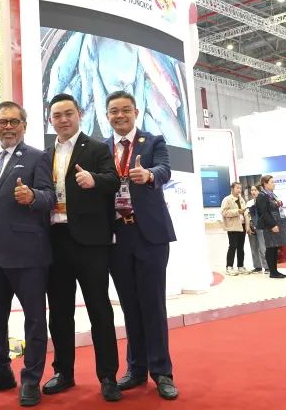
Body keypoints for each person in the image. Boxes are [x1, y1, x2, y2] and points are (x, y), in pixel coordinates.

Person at [0, 102, 55, 407]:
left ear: (24, 126)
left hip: (28, 254)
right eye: (2, 121)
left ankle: (31, 378)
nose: (8, 127)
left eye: (13, 121)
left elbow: (50, 197)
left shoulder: (37, 157)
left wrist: (33, 196)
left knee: (34, 319)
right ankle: (0, 371)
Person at [41, 93, 122, 402]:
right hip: (55, 240)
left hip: (90, 243)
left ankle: (108, 376)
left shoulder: (97, 148)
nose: (63, 120)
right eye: (57, 115)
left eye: (68, 114)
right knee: (59, 311)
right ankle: (63, 372)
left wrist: (94, 180)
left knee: (99, 310)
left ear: (79, 114)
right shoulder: (46, 154)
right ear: (50, 119)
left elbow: (113, 181)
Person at [103, 91, 179, 401]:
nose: (120, 115)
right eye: (114, 111)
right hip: (116, 237)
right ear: (107, 115)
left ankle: (162, 372)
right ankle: (136, 369)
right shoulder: (101, 148)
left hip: (149, 236)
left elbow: (164, 170)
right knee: (130, 306)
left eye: (125, 110)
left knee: (153, 304)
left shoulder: (153, 141)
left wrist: (148, 175)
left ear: (136, 112)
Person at [255, 175, 286, 279]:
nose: (274, 184)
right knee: (270, 247)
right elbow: (264, 213)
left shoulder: (271, 195)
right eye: (272, 182)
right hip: (269, 226)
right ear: (265, 184)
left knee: (275, 247)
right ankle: (273, 272)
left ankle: (275, 271)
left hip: (276, 223)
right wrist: (273, 225)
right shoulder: (262, 195)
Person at [220, 182, 247, 276]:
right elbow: (224, 212)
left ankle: (240, 266)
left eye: (240, 188)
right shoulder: (227, 199)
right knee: (232, 246)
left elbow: (245, 212)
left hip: (242, 225)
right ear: (232, 189)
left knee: (241, 247)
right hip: (233, 227)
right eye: (237, 188)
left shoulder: (241, 199)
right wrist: (237, 211)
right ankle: (229, 267)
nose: (239, 190)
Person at [245, 185, 268, 274]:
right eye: (252, 190)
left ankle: (267, 267)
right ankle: (257, 266)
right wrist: (247, 227)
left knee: (263, 247)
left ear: (259, 191)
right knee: (253, 247)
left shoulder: (263, 201)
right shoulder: (249, 203)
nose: (253, 192)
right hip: (252, 226)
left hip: (261, 226)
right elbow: (247, 215)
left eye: (255, 190)